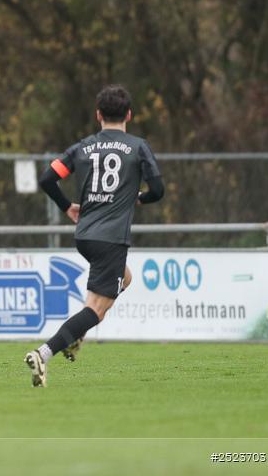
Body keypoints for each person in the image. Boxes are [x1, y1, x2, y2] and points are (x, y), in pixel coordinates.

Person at [25, 84, 164, 387]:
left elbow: (48, 179)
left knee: (125, 279)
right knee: (96, 311)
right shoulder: (138, 147)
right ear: (129, 114)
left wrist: (67, 207)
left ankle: (76, 336)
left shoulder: (82, 147)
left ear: (98, 114)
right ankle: (43, 353)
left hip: (86, 235)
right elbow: (158, 191)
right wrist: (138, 198)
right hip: (111, 238)